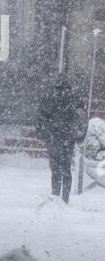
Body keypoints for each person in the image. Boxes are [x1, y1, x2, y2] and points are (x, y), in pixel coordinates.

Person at [36, 73, 85, 204]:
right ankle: (65, 200)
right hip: (67, 138)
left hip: (53, 137)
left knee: (55, 170)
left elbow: (41, 116)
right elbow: (81, 118)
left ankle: (56, 198)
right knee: (66, 169)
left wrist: (41, 134)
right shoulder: (74, 97)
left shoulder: (50, 96)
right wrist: (80, 137)